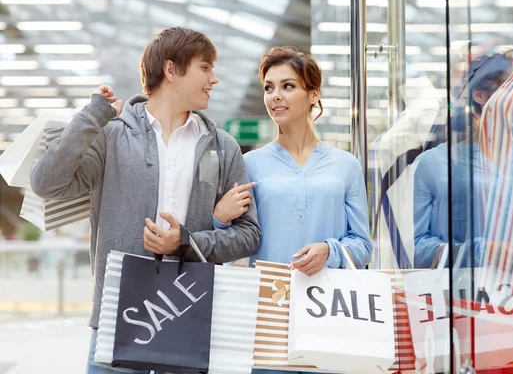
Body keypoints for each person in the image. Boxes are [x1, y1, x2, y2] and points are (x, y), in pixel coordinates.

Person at [29, 27, 261, 374]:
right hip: (117, 317)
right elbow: (45, 183)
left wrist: (186, 241)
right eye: (205, 67)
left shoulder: (221, 146)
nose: (215, 78)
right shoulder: (111, 135)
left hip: (189, 316)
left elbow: (249, 235)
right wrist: (91, 117)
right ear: (171, 70)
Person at [215, 45, 372, 279]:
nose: (275, 95)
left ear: (314, 94)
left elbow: (363, 247)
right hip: (269, 299)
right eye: (269, 88)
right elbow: (230, 244)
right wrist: (219, 219)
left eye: (288, 86)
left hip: (328, 303)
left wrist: (330, 251)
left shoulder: (346, 165)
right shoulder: (248, 164)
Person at [412, 52, 513, 269]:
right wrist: (478, 251)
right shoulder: (434, 164)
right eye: (507, 85)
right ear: (479, 96)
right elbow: (417, 249)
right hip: (461, 295)